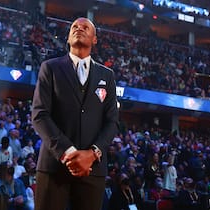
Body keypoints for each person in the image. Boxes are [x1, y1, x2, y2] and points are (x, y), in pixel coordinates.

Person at [32, 17, 119, 210]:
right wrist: (69, 153)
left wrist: (92, 153)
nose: (79, 28)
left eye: (85, 27)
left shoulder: (107, 75)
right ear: (68, 37)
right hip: (54, 167)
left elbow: (112, 122)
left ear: (95, 39)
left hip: (93, 169)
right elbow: (40, 114)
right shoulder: (50, 67)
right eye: (74, 27)